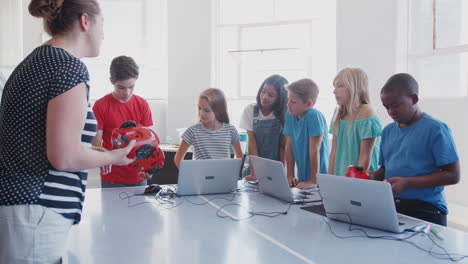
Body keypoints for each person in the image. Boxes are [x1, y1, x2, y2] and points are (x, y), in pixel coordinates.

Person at [0, 0, 136, 262]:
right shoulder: (68, 67)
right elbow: (64, 157)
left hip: (20, 207)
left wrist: (90, 152)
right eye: (102, 24)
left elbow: (39, 141)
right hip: (35, 208)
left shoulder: (34, 62)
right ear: (85, 21)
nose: (103, 33)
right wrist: (113, 157)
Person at [370, 73, 460, 226]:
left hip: (427, 209)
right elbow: (385, 170)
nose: (391, 111)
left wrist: (408, 183)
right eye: (386, 107)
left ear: (414, 99)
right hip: (393, 205)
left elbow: (453, 175)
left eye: (396, 105)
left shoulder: (435, 129)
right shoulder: (388, 131)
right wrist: (369, 177)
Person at [92, 56, 154, 188]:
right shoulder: (100, 106)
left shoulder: (142, 104)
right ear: (111, 81)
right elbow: (96, 144)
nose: (127, 93)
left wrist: (150, 166)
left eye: (131, 87)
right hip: (111, 176)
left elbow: (149, 142)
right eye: (121, 88)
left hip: (138, 175)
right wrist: (105, 159)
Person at [328, 68, 382, 176]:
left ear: (356, 88)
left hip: (361, 178)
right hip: (342, 175)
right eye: (334, 87)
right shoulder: (338, 113)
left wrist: (354, 182)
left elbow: (365, 157)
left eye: (340, 86)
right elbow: (333, 153)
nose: (334, 91)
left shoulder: (367, 112)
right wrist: (329, 179)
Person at [174, 88, 243, 168]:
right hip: (200, 178)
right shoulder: (192, 131)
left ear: (218, 111)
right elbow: (178, 158)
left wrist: (232, 171)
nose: (201, 113)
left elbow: (239, 155)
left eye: (206, 110)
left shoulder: (231, 130)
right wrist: (190, 174)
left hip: (223, 178)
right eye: (199, 108)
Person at [239, 75, 288, 180]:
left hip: (275, 165)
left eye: (271, 95)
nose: (265, 97)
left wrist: (281, 171)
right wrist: (254, 172)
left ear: (280, 98)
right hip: (254, 165)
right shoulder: (250, 110)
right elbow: (252, 143)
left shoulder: (285, 114)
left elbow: (282, 146)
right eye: (263, 91)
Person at [283, 79, 330, 189]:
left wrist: (313, 180)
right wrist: (290, 176)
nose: (288, 104)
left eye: (293, 102)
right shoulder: (290, 115)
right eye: (288, 100)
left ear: (308, 104)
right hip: (303, 177)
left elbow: (315, 150)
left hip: (319, 178)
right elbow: (289, 146)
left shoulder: (314, 116)